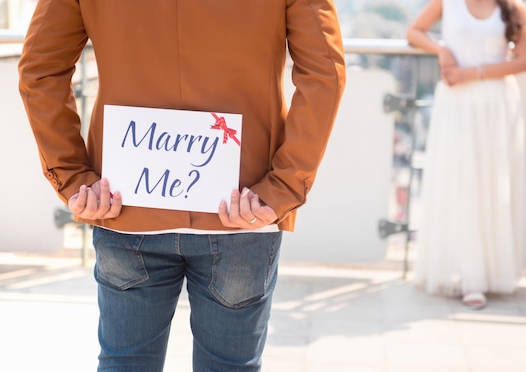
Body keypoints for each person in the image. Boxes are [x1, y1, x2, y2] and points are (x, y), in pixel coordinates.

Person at [18, 1, 345, 370]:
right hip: (244, 205)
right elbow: (325, 74)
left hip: (127, 202)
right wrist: (282, 188)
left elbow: (40, 71)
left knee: (125, 364)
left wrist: (74, 178)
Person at [406, 0, 526, 310]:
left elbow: (524, 60)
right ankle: (463, 273)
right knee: (457, 184)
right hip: (456, 104)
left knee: (490, 188)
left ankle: (481, 277)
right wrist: (442, 50)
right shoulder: (447, 2)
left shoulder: (514, 6)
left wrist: (472, 73)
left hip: (496, 105)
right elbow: (414, 31)